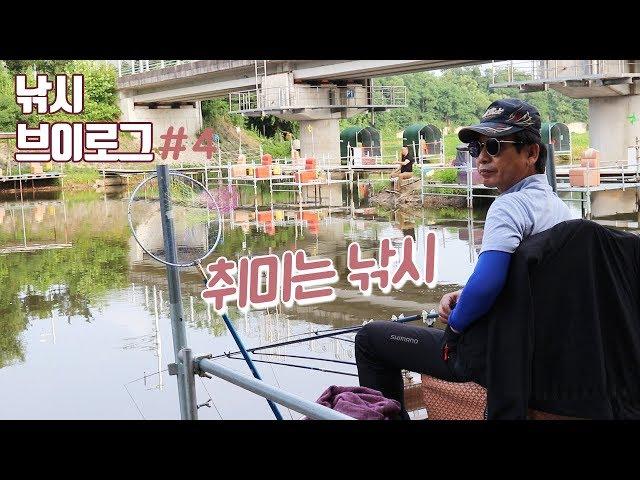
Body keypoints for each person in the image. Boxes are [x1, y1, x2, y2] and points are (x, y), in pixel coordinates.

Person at [354, 99, 573, 419]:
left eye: (495, 146)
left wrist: (454, 331)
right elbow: (519, 281)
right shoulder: (559, 208)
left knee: (370, 339)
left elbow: (487, 285)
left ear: (531, 153)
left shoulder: (509, 206)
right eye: (476, 148)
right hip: (538, 347)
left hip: (497, 352)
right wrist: (465, 294)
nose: (482, 157)